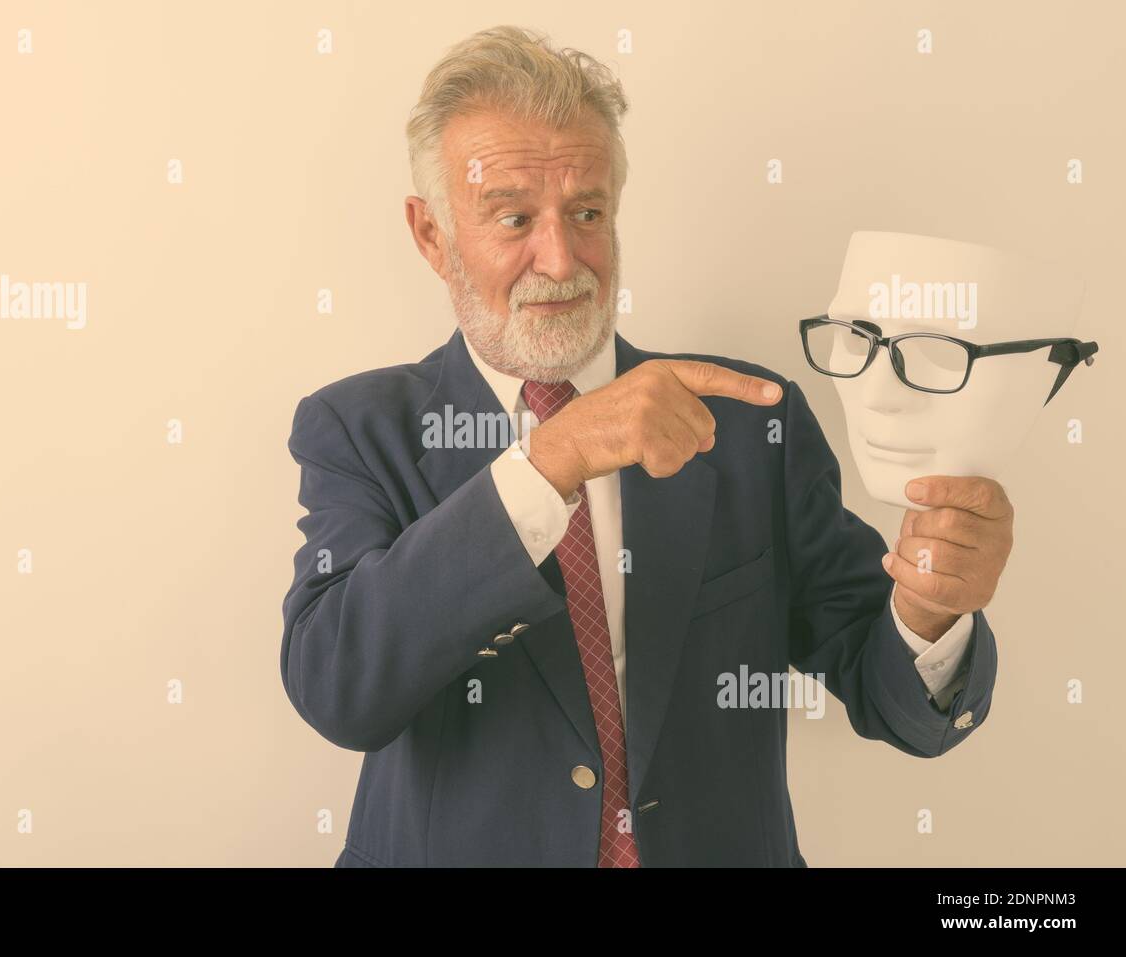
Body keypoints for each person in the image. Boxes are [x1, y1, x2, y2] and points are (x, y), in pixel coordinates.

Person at [280, 25, 1012, 867]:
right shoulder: (358, 428)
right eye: (514, 216)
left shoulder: (750, 421)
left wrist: (931, 609)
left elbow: (885, 690)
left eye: (586, 212)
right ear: (431, 235)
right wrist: (551, 462)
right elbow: (339, 687)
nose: (560, 258)